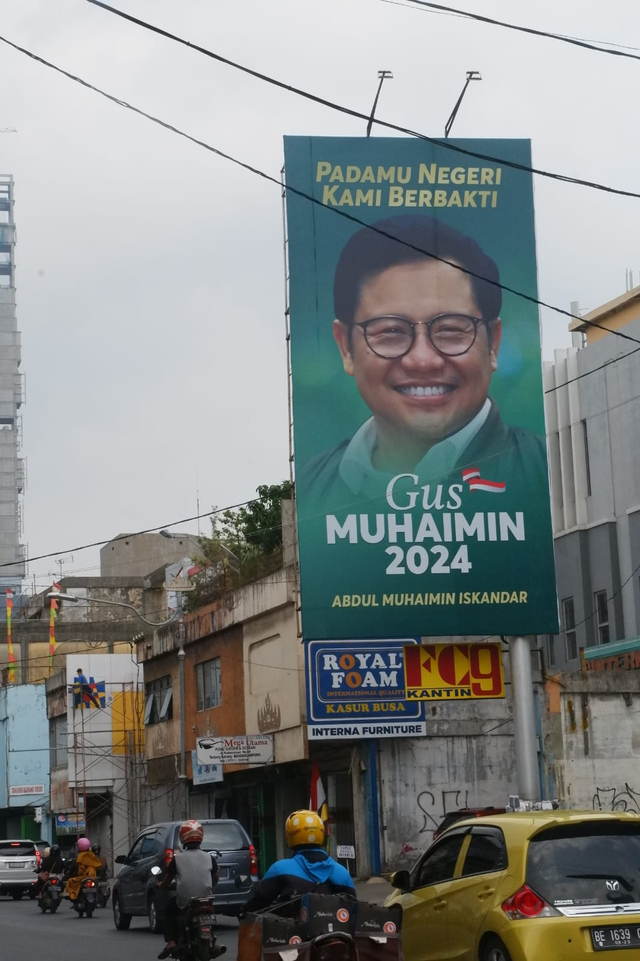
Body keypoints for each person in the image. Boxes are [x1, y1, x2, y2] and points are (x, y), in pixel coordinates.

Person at [300, 214, 548, 504]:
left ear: (493, 342)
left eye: (450, 330)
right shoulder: (312, 491)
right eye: (391, 331)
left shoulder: (546, 475)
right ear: (345, 348)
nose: (423, 360)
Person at [244, 810, 355, 913]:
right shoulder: (342, 872)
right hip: (335, 931)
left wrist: (243, 911)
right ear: (322, 834)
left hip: (291, 933)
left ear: (290, 836)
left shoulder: (280, 869)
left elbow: (258, 904)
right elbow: (354, 908)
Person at [157, 820, 224, 961]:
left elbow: (167, 879)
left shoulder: (178, 859)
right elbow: (215, 877)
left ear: (183, 838)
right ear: (201, 837)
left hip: (186, 901)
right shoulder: (209, 858)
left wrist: (161, 885)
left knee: (168, 909)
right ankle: (212, 943)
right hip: (206, 899)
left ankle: (171, 942)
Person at [65, 837, 103, 902]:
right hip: (92, 877)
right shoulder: (92, 856)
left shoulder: (79, 857)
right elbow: (99, 866)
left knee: (70, 881)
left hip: (82, 878)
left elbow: (73, 869)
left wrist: (69, 875)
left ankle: (73, 896)